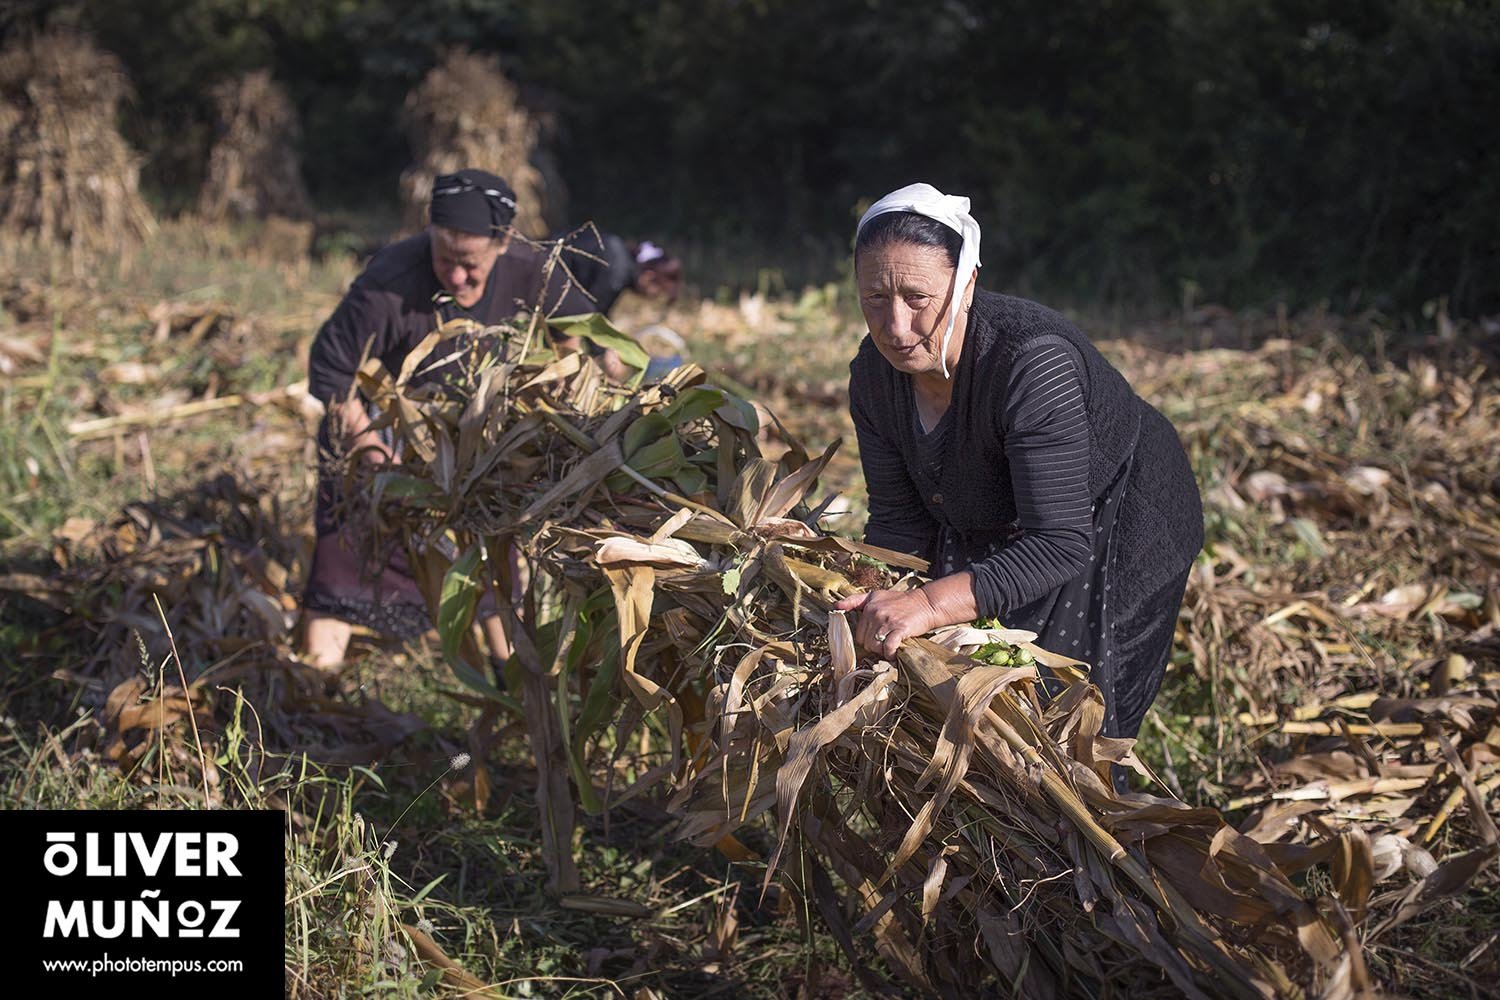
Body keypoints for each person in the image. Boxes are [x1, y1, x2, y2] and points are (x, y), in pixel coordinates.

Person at [833, 183, 1203, 762]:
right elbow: (900, 520)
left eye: (917, 298)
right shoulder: (875, 376)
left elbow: (1057, 542)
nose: (896, 326)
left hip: (1117, 517)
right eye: (875, 297)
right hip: (992, 507)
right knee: (965, 699)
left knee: (1071, 723)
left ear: (967, 284)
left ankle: (1104, 839)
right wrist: (874, 591)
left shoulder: (1033, 363)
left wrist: (927, 606)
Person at [301, 168, 594, 671]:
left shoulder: (532, 267)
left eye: (469, 264)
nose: (456, 277)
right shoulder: (389, 281)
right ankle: (316, 676)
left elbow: (578, 338)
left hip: (480, 439)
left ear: (502, 243)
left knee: (485, 557)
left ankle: (515, 677)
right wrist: (371, 452)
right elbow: (331, 369)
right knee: (346, 554)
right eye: (444, 258)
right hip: (385, 428)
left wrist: (570, 393)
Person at [556, 228, 683, 317]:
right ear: (648, 277)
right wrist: (606, 350)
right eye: (657, 292)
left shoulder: (620, 259)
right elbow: (591, 316)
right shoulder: (616, 275)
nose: (652, 297)